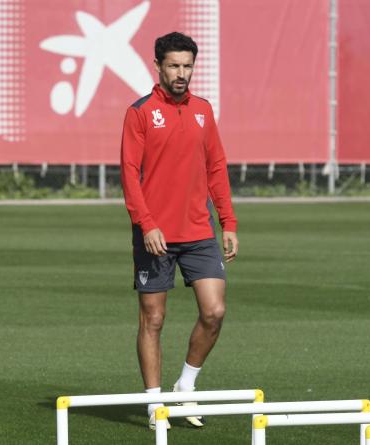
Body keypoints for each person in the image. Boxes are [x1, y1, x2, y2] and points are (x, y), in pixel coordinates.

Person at [120, 32, 238, 430]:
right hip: (155, 235)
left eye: (187, 66)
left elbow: (217, 168)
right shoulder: (139, 112)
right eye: (174, 65)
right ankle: (156, 405)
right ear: (158, 66)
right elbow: (129, 176)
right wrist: (147, 224)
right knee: (152, 319)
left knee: (215, 311)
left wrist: (228, 221)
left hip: (199, 229)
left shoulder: (204, 110)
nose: (181, 73)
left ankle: (185, 388)